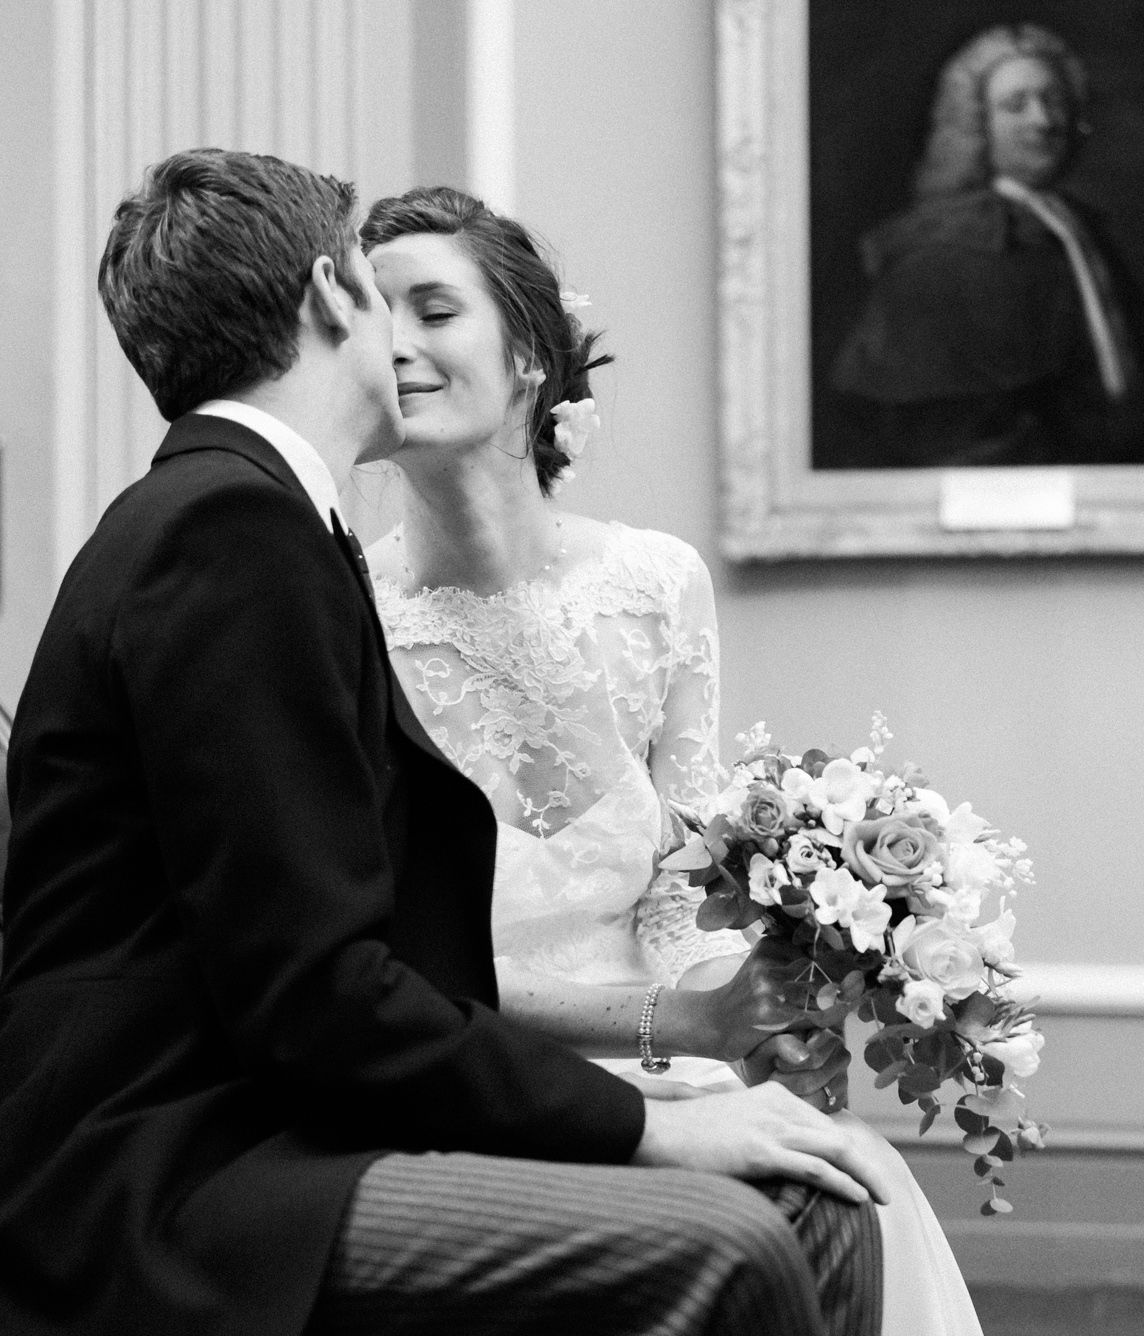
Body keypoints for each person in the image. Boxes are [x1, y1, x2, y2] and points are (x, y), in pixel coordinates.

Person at [0, 149, 888, 1336]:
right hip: (157, 1168)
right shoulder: (230, 530)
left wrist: (672, 1052)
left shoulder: (250, 515)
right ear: (336, 296)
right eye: (385, 296)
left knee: (817, 1201)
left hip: (251, 1115)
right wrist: (650, 1122)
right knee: (740, 1238)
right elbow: (316, 991)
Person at [357, 185, 985, 1336]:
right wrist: (665, 1024)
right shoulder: (341, 610)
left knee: (847, 1181)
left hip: (660, 1060)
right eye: (369, 312)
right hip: (452, 1082)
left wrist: (743, 1010)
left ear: (531, 355)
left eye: (432, 309)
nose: (392, 342)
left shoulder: (652, 588)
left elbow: (677, 882)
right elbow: (379, 968)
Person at [828, 22, 1144, 469]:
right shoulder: (940, 254)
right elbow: (942, 431)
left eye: (1054, 100)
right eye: (1015, 105)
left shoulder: (1079, 228)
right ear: (976, 125)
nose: (1042, 121)